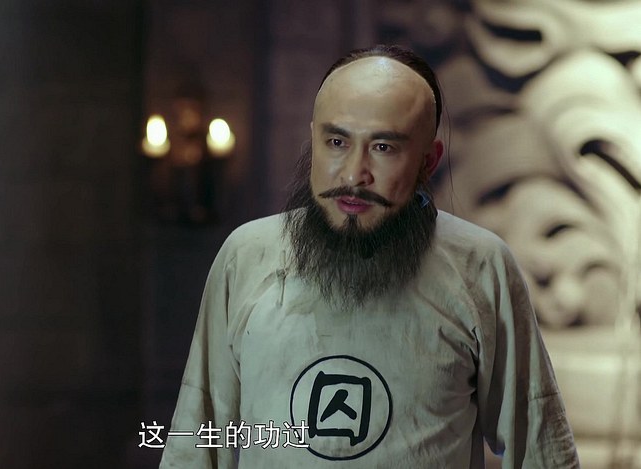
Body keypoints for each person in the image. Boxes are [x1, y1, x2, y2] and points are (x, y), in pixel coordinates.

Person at [159, 44, 579, 468]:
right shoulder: (247, 256)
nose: (353, 174)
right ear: (313, 141)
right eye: (337, 141)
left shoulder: (480, 266)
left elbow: (542, 453)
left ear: (428, 161)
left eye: (383, 147)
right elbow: (195, 448)